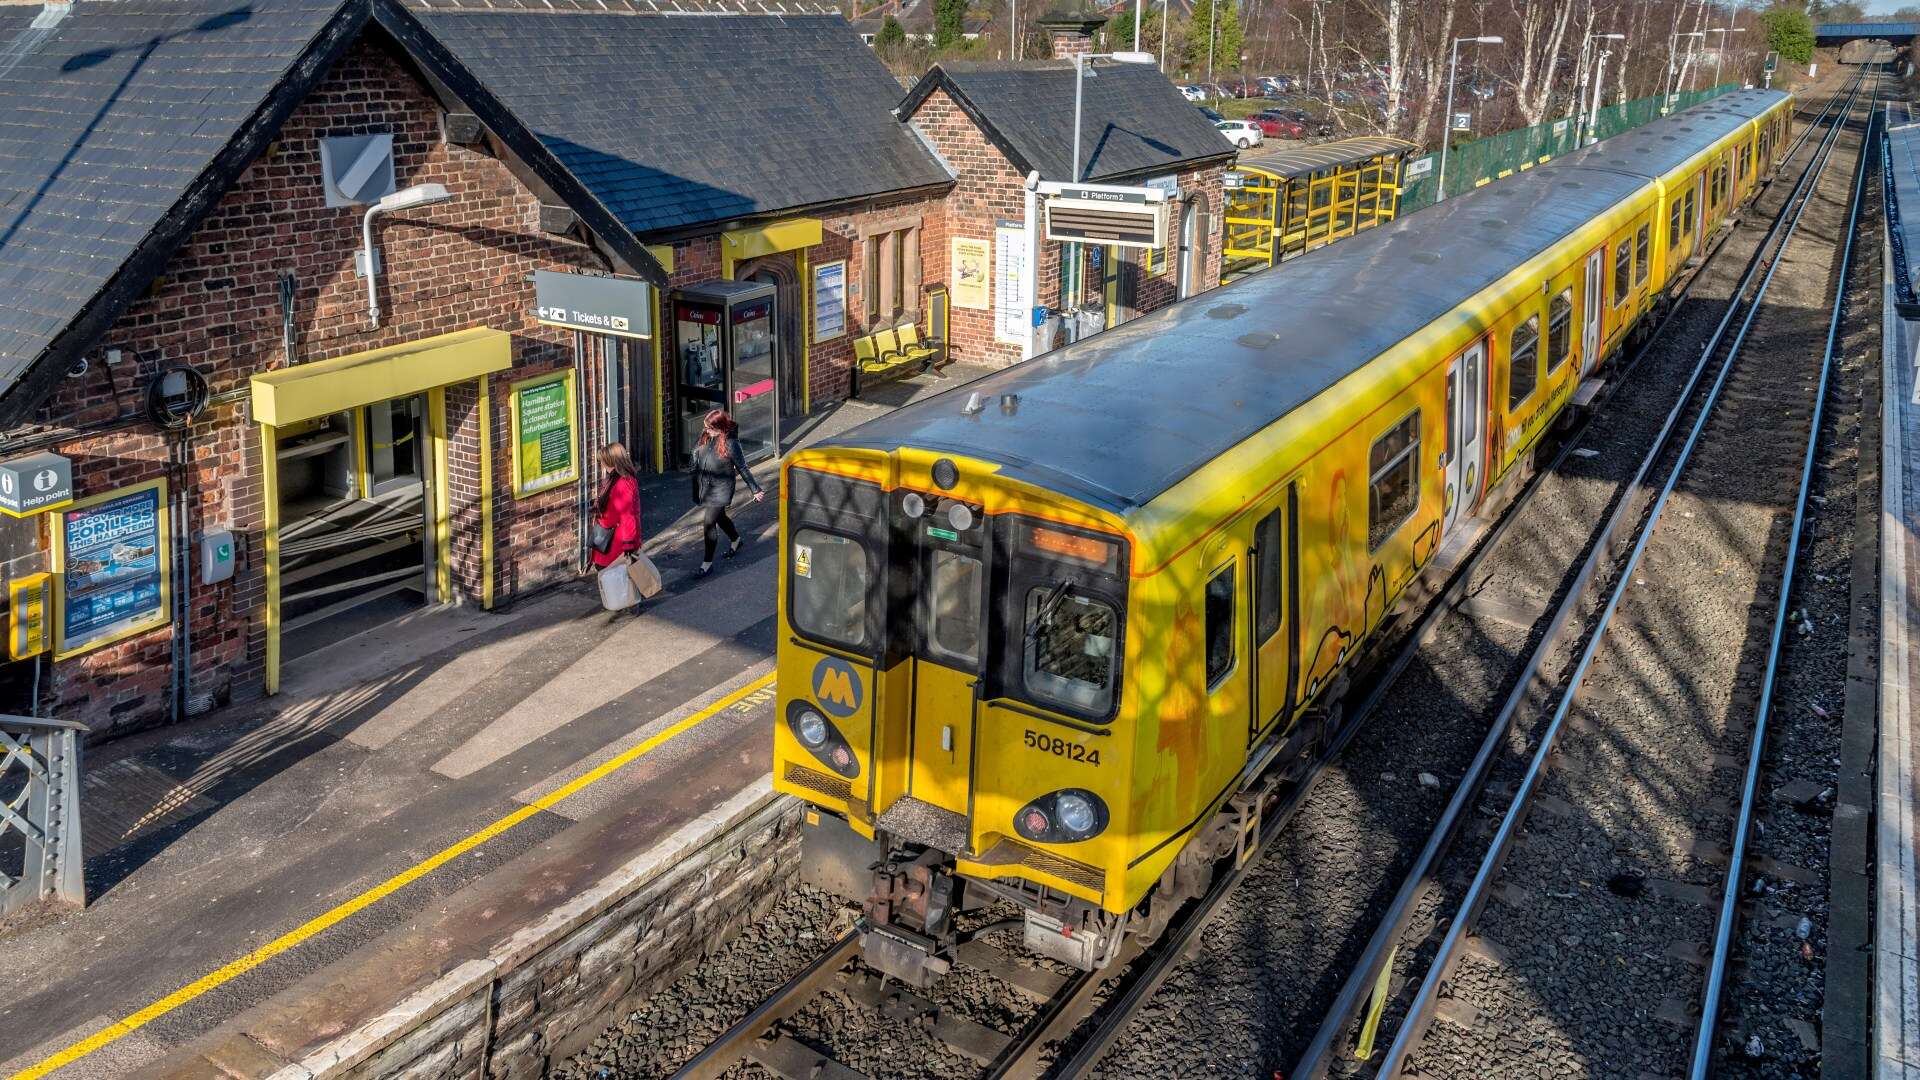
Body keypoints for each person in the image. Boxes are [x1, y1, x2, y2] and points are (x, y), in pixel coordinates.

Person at [690, 409, 764, 577]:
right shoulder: (707, 435)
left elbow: (742, 467)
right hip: (707, 486)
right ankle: (736, 540)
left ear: (720, 427)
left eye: (709, 428)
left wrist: (755, 489)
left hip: (721, 489)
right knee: (720, 517)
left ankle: (707, 564)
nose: (706, 430)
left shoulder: (731, 443)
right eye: (706, 427)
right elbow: (696, 451)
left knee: (709, 522)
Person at [592, 442, 643, 573]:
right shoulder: (619, 478)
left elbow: (628, 516)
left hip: (615, 544)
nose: (601, 464)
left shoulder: (621, 484)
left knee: (616, 586)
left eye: (602, 461)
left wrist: (629, 545)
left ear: (610, 461)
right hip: (609, 540)